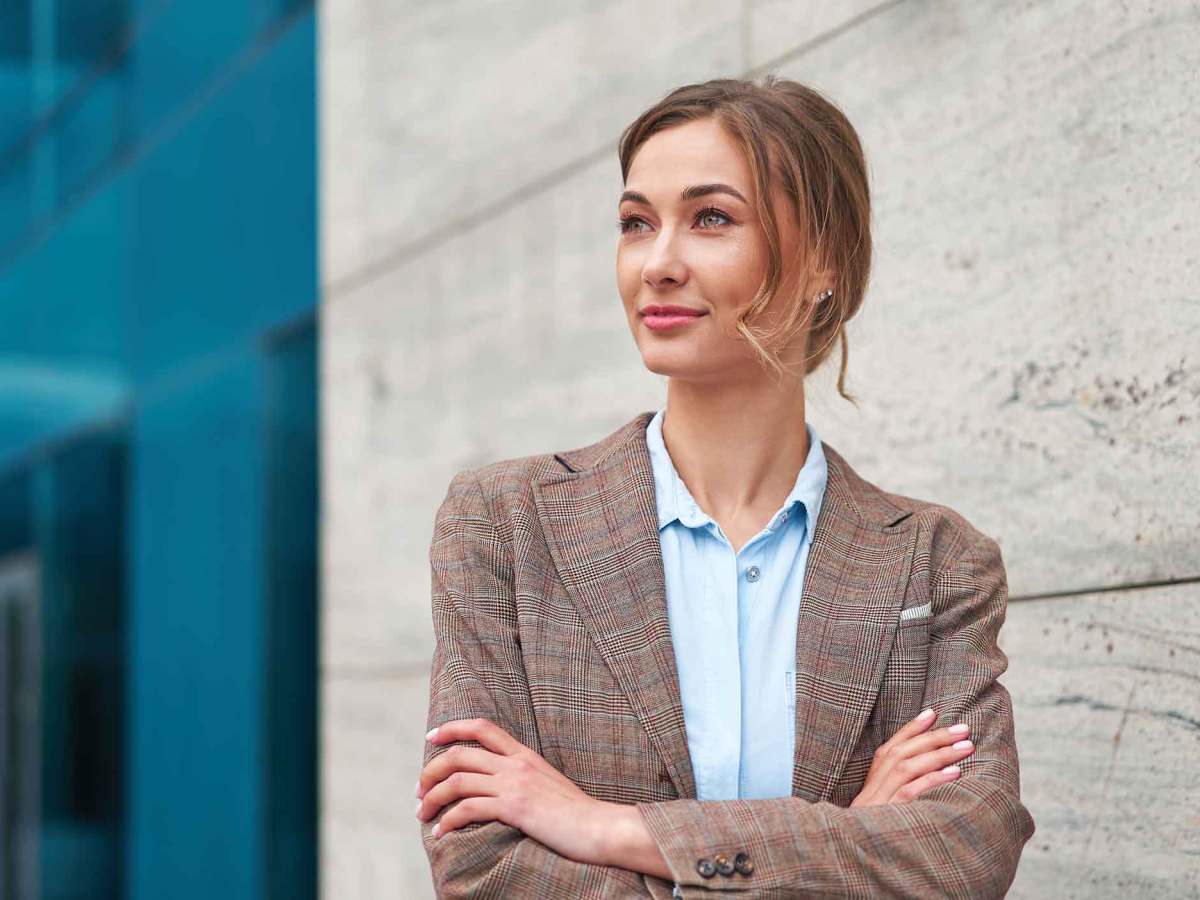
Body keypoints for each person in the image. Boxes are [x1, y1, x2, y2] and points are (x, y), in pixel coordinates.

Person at [414, 76, 1035, 898]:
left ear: (822, 262)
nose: (658, 263)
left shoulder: (936, 564)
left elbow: (965, 858)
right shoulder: (505, 525)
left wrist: (605, 827)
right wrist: (845, 836)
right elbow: (483, 867)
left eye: (711, 218)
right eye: (637, 223)